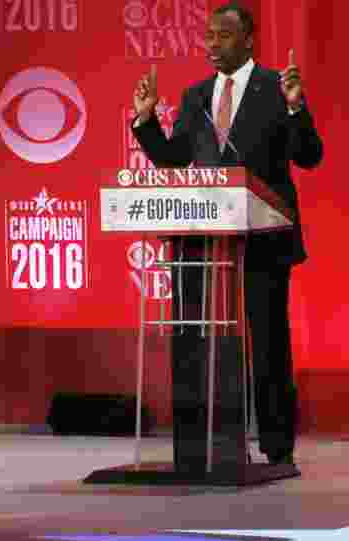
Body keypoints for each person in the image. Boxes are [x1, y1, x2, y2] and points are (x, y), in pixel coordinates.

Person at [131, 2, 323, 466]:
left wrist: (297, 107)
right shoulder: (196, 96)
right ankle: (206, 440)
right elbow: (176, 159)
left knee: (269, 340)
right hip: (206, 239)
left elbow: (309, 156)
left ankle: (277, 447)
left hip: (265, 236)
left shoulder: (277, 88)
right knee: (203, 335)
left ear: (248, 40)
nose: (212, 45)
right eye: (209, 37)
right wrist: (146, 121)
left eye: (223, 36)